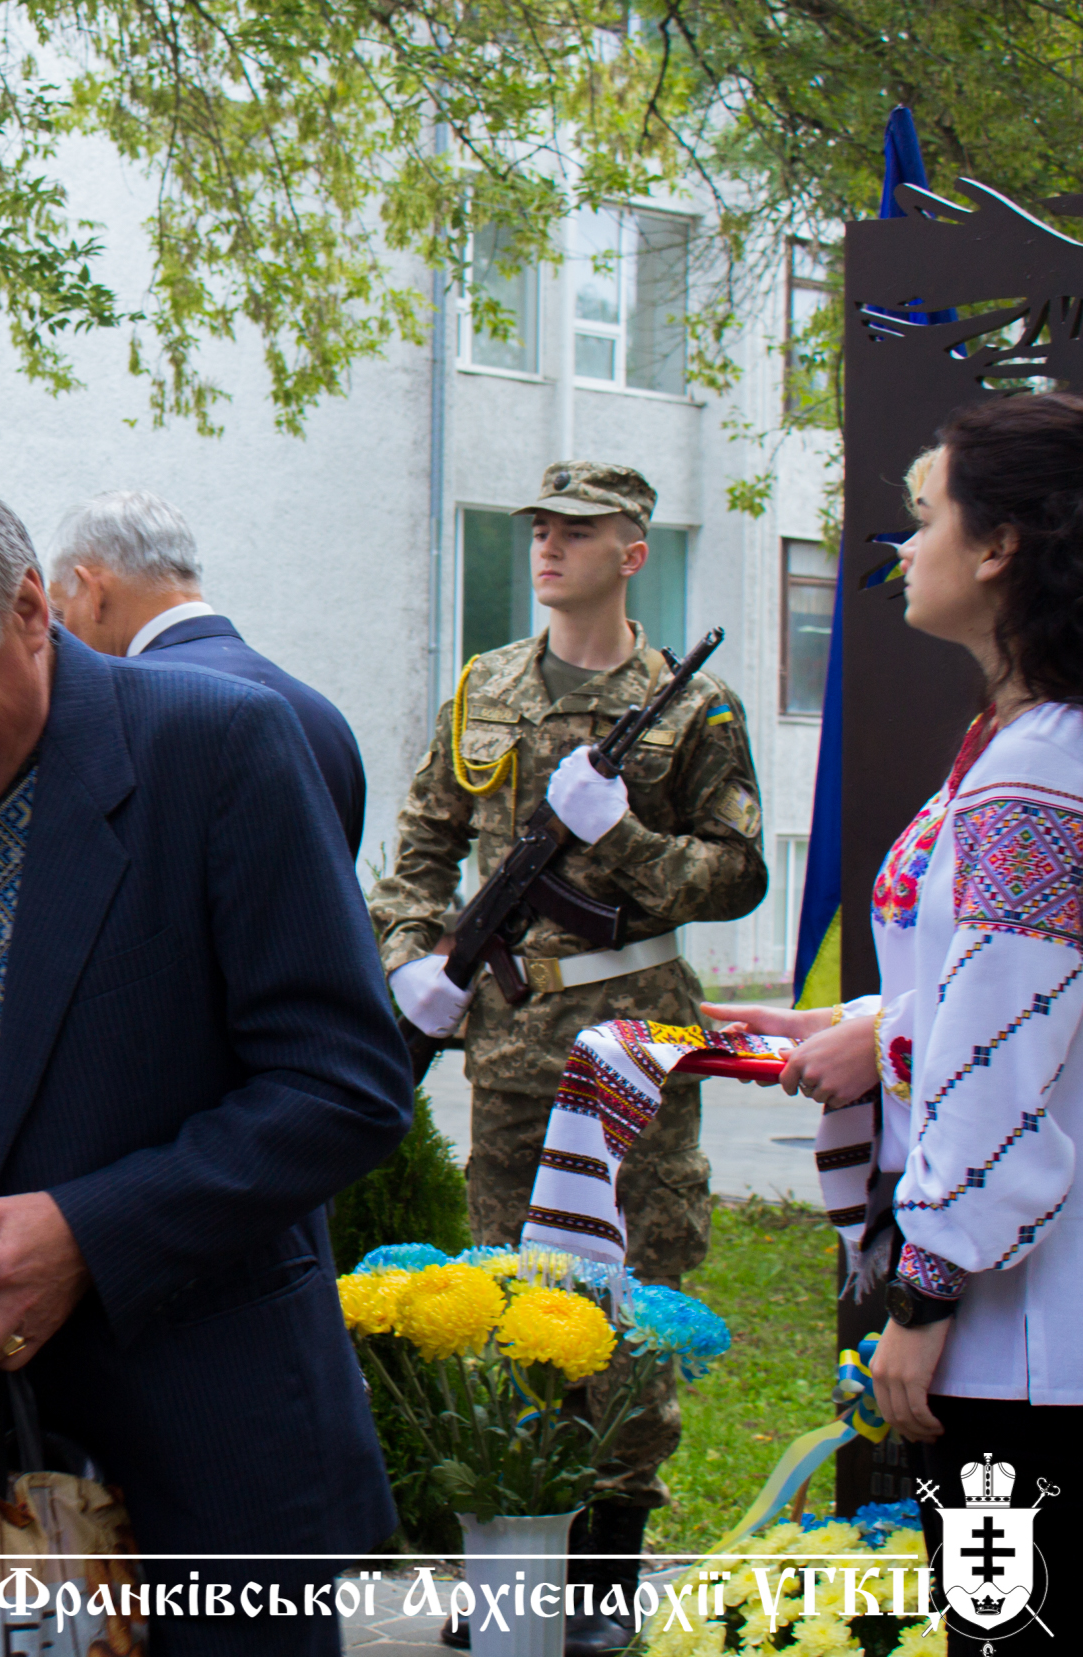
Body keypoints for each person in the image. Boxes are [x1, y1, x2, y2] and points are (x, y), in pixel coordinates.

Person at [0, 446, 412, 1656]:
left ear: (26, 611)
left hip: (202, 1477)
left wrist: (90, 1233)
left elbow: (345, 1081)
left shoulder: (218, 748)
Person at [368, 460, 765, 1652]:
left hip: (631, 1041)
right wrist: (410, 956)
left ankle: (600, 1576)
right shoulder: (481, 687)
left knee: (629, 1290)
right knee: (504, 1289)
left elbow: (736, 875)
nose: (546, 545)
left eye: (575, 531)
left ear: (630, 553)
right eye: (539, 527)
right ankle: (507, 1564)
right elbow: (421, 842)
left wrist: (623, 839)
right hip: (505, 1040)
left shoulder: (694, 707)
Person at [710, 394, 1083, 1584]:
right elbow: (1014, 990)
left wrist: (920, 1301)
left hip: (1022, 1336)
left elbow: (1005, 1054)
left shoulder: (1035, 772)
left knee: (1003, 1618)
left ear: (999, 545)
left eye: (925, 517)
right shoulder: (1027, 746)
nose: (903, 547)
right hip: (1024, 1317)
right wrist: (870, 1023)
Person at [46, 489, 366, 855]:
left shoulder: (117, 712)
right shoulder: (325, 718)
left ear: (92, 590)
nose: (62, 640)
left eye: (61, 615)